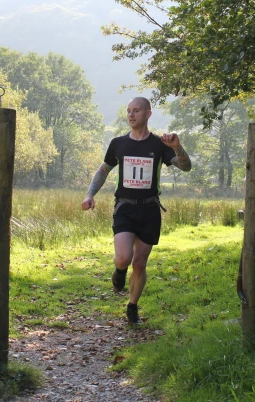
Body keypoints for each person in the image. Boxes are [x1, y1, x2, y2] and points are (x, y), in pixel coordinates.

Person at [81, 97, 192, 324]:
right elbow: (103, 171)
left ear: (148, 114)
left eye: (136, 111)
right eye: (128, 111)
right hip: (125, 207)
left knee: (140, 263)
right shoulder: (118, 143)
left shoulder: (160, 144)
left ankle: (132, 306)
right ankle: (119, 270)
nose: (131, 115)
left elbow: (186, 167)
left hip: (150, 209)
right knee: (124, 257)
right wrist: (90, 194)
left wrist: (177, 146)